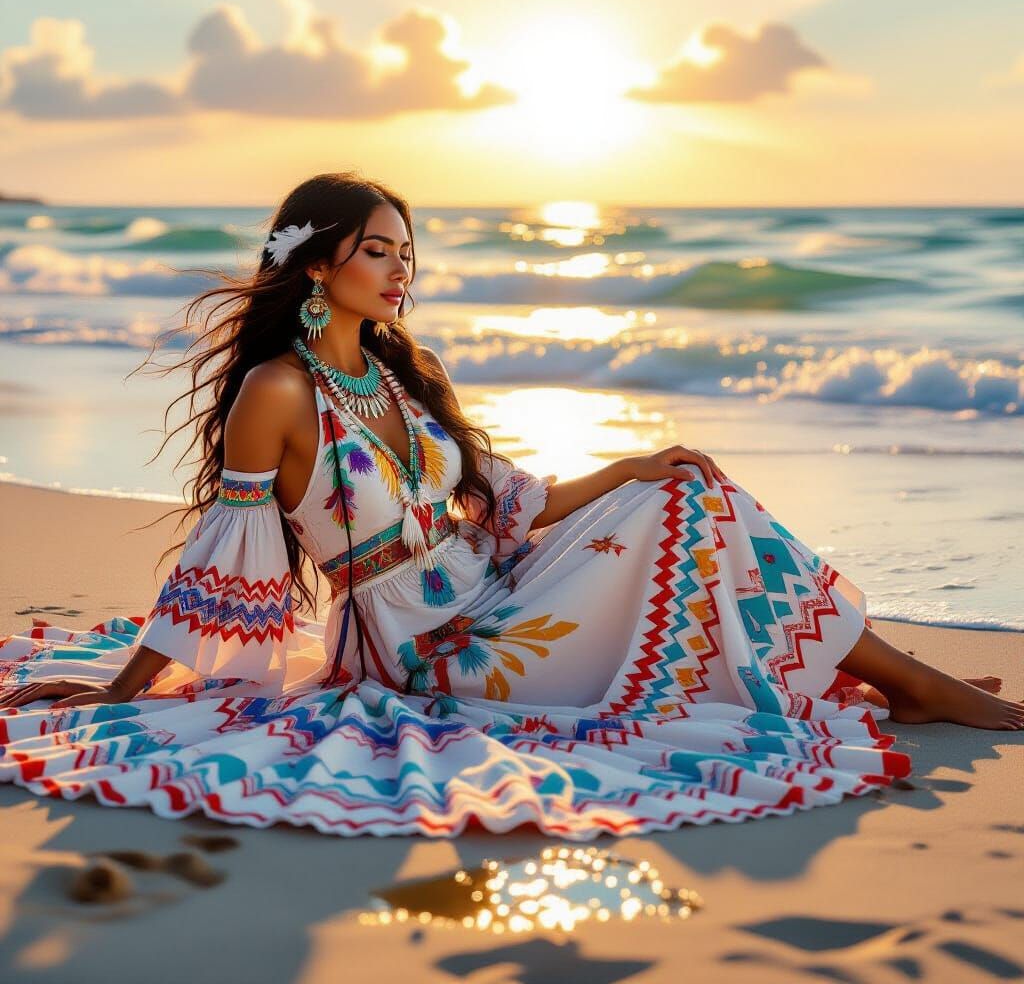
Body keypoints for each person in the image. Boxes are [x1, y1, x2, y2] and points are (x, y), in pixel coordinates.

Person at [1, 173, 1020, 839]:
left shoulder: (401, 376)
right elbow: (225, 555)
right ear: (319, 264)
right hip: (429, 645)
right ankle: (912, 681)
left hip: (498, 584)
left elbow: (501, 505)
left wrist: (625, 468)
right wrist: (128, 691)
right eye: (377, 251)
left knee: (686, 487)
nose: (402, 270)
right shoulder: (279, 390)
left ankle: (901, 675)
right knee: (694, 521)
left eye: (407, 251)